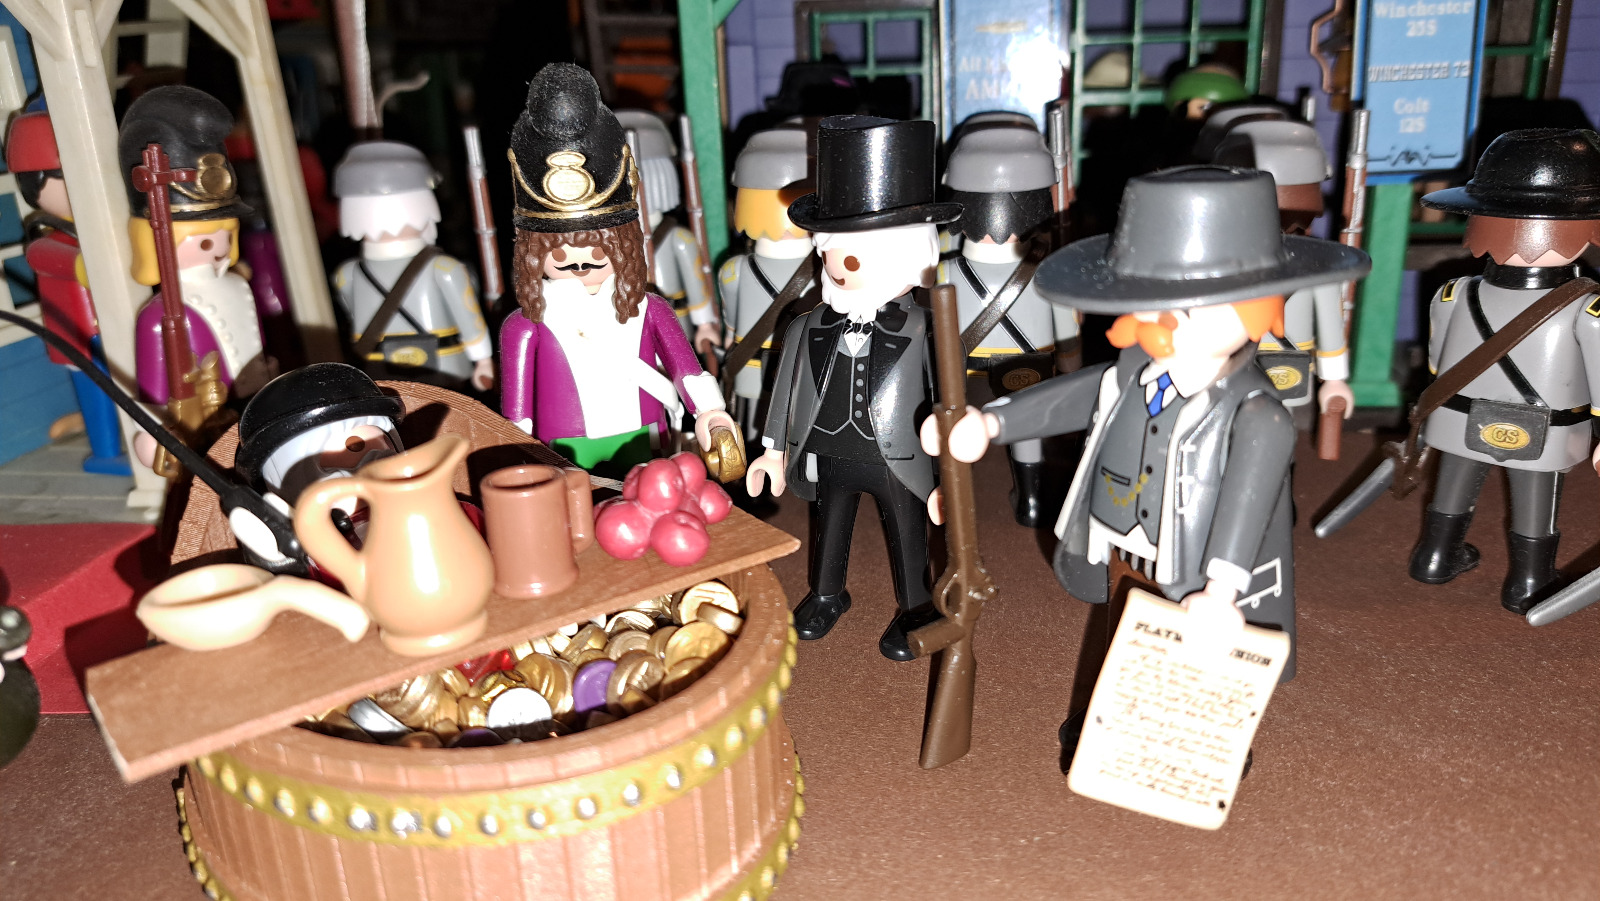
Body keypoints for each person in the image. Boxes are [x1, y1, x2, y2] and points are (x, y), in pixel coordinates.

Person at [933, 167, 1370, 714]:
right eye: (1152, 302)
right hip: (1121, 541)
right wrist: (994, 423)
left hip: (1197, 560)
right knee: (1122, 627)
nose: (1168, 323)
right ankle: (1113, 718)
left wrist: (1222, 589)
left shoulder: (1258, 415)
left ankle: (1203, 736)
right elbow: (1072, 396)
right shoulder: (1129, 373)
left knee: (1199, 661)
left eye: (1195, 309)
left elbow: (1248, 504)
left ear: (1257, 308)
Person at [747, 114, 961, 661]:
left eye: (854, 257)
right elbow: (785, 389)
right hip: (829, 449)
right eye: (830, 254)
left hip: (899, 456)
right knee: (830, 524)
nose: (839, 268)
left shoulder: (927, 329)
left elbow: (949, 405)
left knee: (907, 533)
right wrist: (772, 451)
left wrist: (947, 480)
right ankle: (826, 593)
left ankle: (916, 606)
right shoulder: (808, 325)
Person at [498, 63, 734, 477]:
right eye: (560, 255)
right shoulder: (524, 326)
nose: (580, 263)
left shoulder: (650, 309)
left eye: (596, 251)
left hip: (645, 432)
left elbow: (686, 370)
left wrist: (711, 412)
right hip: (564, 444)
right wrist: (517, 449)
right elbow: (517, 414)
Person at [1410, 129, 1600, 613]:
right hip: (1543, 425)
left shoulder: (1452, 293)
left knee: (1453, 480)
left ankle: (1434, 557)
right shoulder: (1587, 310)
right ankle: (1529, 583)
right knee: (1535, 494)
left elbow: (1436, 363)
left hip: (1455, 412)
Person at [939, 123, 1078, 526]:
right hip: (1029, 359)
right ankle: (1030, 501)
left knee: (952, 422)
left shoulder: (945, 271)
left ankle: (950, 496)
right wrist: (1070, 366)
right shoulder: (1048, 271)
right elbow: (1066, 330)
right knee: (1026, 426)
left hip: (961, 360)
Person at [4, 110, 129, 474]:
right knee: (96, 386)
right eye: (66, 178)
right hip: (81, 333)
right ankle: (106, 452)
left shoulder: (104, 227)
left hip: (116, 324)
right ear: (35, 185)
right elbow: (72, 265)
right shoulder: (48, 240)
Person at [1213, 119, 1353, 426]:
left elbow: (1329, 322)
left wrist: (1334, 379)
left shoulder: (1316, 264)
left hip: (1287, 360)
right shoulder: (1222, 259)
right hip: (1232, 358)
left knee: (1279, 423)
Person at [331, 141, 493, 391]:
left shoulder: (346, 274)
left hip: (380, 371)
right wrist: (483, 361)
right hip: (444, 369)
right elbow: (469, 320)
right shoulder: (444, 268)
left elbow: (354, 315)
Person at [719, 125, 814, 440]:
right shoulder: (826, 271)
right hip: (773, 364)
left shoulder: (734, 270)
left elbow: (730, 323)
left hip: (782, 364)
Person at [615, 110, 720, 354]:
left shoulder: (678, 239)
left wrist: (704, 325)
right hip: (626, 326)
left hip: (675, 323)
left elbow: (696, 283)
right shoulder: (609, 240)